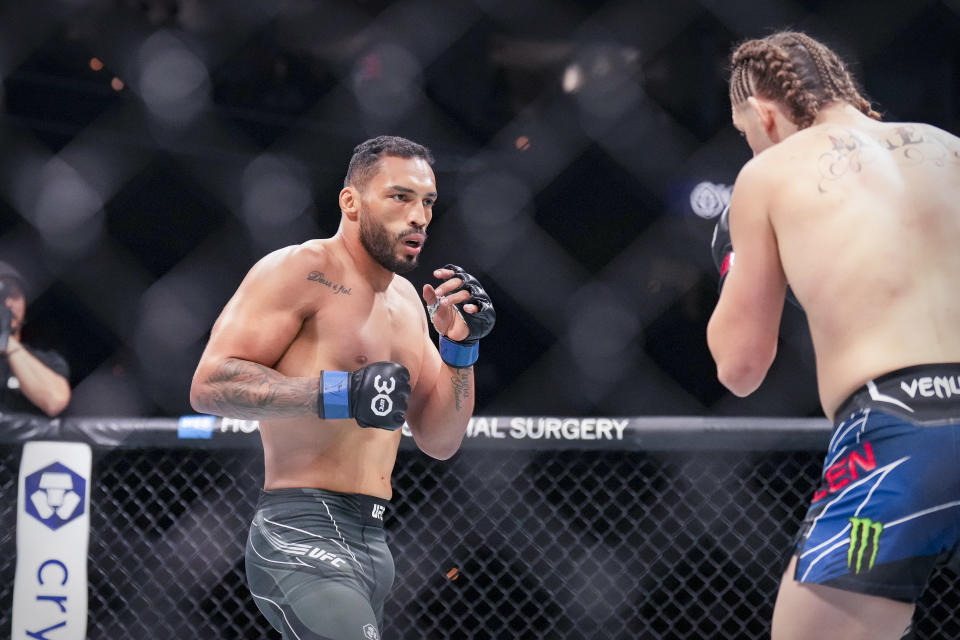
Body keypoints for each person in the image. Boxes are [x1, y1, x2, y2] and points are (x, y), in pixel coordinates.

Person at [707, 31, 960, 640]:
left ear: (762, 114)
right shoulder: (949, 148)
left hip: (901, 433)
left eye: (746, 133)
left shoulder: (768, 174)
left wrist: (734, 267)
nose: (750, 146)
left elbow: (740, 369)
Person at [189, 135, 495, 640]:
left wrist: (460, 351)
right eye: (400, 197)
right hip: (299, 531)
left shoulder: (408, 303)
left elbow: (441, 442)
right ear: (351, 202)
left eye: (428, 202)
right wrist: (338, 393)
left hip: (374, 539)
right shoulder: (301, 269)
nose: (419, 216)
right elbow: (210, 384)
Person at [0, 261, 70, 417]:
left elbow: (55, 401)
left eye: (13, 295)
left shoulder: (47, 360)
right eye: (0, 297)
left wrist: (6, 339)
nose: (7, 303)